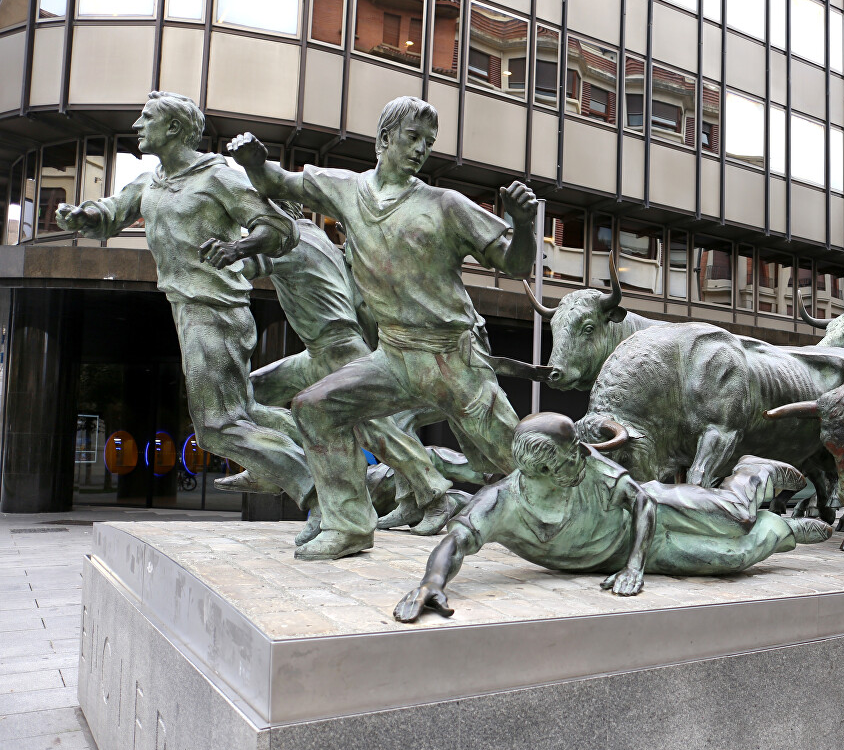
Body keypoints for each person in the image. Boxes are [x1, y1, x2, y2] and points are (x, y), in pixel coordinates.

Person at [208, 97, 539, 559]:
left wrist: (522, 225)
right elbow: (277, 182)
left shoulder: (445, 205)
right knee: (316, 407)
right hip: (394, 355)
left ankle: (592, 523)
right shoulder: (346, 189)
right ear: (384, 140)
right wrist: (254, 161)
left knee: (522, 461)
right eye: (413, 137)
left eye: (429, 142)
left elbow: (516, 262)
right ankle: (348, 525)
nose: (422, 149)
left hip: (454, 359)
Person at [54, 91, 317, 524]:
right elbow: (112, 211)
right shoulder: (150, 181)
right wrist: (82, 216)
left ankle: (322, 495)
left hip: (215, 309)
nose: (138, 126)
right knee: (243, 412)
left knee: (215, 425)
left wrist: (237, 248)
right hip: (186, 307)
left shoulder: (218, 177)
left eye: (147, 117)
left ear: (174, 128)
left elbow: (280, 227)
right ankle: (331, 460)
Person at [392, 412, 833, 622]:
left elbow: (640, 502)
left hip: (650, 512)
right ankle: (784, 529)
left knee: (735, 519)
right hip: (632, 547)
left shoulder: (586, 461)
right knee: (734, 559)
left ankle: (754, 474)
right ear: (541, 470)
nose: (581, 459)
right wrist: (433, 583)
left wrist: (634, 568)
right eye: (568, 459)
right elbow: (455, 541)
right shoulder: (502, 502)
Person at [239, 201, 462, 542]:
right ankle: (272, 463)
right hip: (319, 353)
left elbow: (240, 267)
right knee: (249, 392)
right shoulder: (321, 239)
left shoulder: (288, 240)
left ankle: (435, 496)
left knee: (379, 431)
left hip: (339, 350)